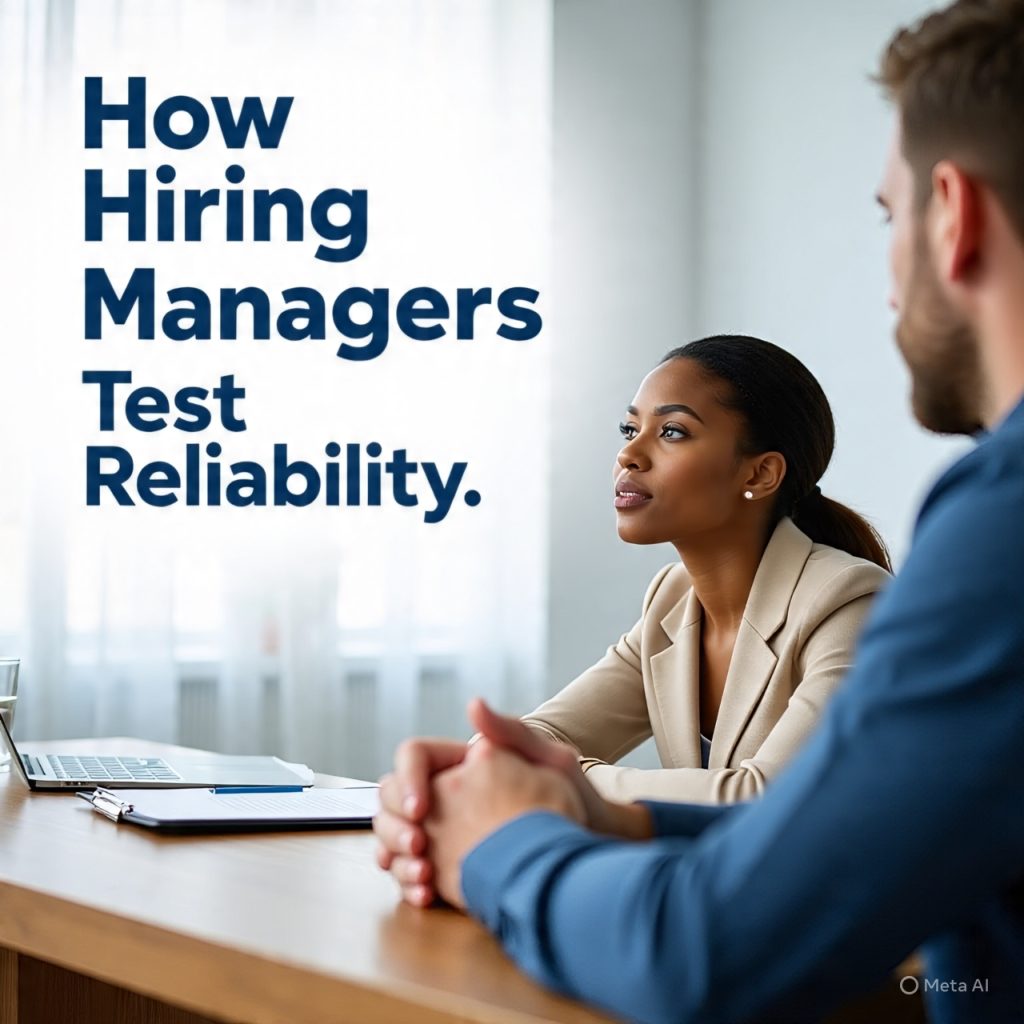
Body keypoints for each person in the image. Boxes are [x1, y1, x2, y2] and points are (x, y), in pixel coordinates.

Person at [374, 2, 1024, 1022]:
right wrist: (488, 780)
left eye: (885, 215)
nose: (630, 452)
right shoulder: (671, 604)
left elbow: (710, 942)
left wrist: (512, 836)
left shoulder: (983, 534)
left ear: (954, 215)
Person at [520, 335, 890, 804]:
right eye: (629, 430)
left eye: (672, 431)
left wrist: (562, 778)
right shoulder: (671, 600)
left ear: (759, 474)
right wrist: (523, 766)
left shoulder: (850, 601)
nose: (629, 455)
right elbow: (530, 739)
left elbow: (766, 798)